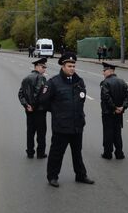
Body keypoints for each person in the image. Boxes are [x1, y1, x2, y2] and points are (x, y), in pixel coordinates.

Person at [39, 52, 94, 187]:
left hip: (77, 124)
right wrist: (57, 112)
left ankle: (81, 175)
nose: (72, 68)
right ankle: (52, 176)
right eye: (69, 66)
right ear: (63, 66)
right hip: (61, 126)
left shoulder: (79, 81)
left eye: (74, 66)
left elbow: (81, 100)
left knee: (77, 153)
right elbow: (43, 101)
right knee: (57, 153)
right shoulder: (53, 82)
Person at [18, 57, 48, 159]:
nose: (44, 69)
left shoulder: (26, 78)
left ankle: (30, 152)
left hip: (29, 110)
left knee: (30, 132)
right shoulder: (41, 78)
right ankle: (40, 153)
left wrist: (26, 105)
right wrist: (33, 106)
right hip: (39, 110)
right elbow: (39, 94)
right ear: (37, 67)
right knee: (41, 132)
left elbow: (20, 94)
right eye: (43, 67)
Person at [100, 62, 128, 160]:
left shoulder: (105, 82)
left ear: (110, 70)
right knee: (117, 132)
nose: (103, 72)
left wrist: (114, 108)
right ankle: (119, 153)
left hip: (108, 113)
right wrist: (122, 107)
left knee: (108, 133)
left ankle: (107, 153)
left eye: (104, 70)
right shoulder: (122, 81)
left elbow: (106, 97)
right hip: (119, 113)